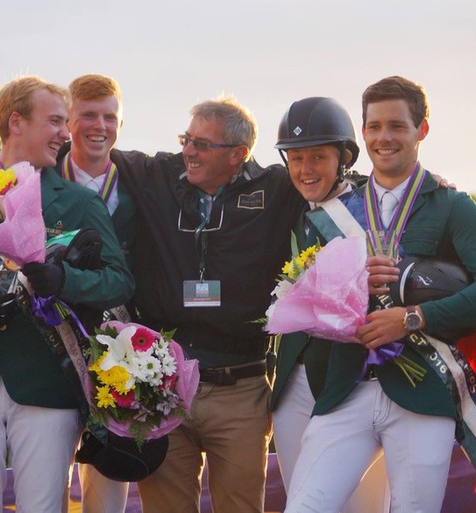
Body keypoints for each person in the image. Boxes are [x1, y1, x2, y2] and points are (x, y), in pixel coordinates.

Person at [0, 76, 134, 513]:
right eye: (53, 121)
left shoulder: (78, 202)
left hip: (46, 380)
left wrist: (65, 281)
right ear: (16, 121)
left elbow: (120, 280)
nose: (64, 133)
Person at [284, 76, 476, 513]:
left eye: (397, 126)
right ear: (363, 133)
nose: (384, 137)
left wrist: (412, 316)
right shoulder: (334, 211)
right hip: (346, 388)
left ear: (422, 130)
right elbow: (314, 303)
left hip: (424, 393)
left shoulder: (453, 205)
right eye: (374, 127)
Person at [116, 96, 305, 513]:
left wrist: (420, 178)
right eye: (187, 139)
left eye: (202, 144)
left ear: (238, 155)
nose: (188, 151)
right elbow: (93, 150)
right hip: (164, 387)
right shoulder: (160, 175)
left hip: (240, 389)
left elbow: (334, 182)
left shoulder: (277, 187)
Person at [269, 96, 390, 512]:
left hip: (356, 380)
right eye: (296, 157)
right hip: (295, 380)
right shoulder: (296, 208)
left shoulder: (372, 208)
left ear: (344, 158)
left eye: (318, 156)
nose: (305, 169)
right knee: (300, 498)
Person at [57, 73, 136, 513]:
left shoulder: (139, 183)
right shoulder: (41, 180)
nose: (99, 126)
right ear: (68, 120)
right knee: (47, 487)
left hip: (120, 353)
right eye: (88, 115)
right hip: (52, 348)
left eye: (110, 116)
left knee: (108, 495)